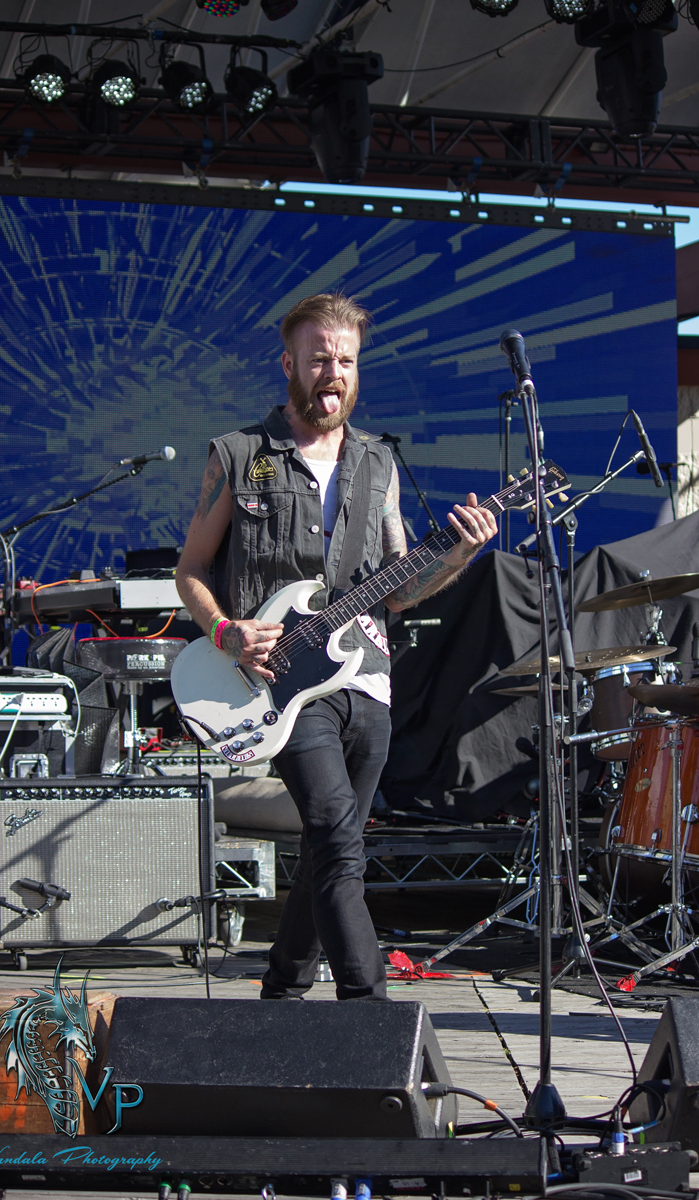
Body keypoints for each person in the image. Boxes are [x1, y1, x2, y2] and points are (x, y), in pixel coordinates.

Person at [175, 292, 497, 1000]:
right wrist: (227, 632)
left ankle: (282, 990)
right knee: (336, 835)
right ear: (288, 364)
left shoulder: (378, 463)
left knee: (331, 846)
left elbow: (400, 587)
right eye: (320, 358)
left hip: (367, 677)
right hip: (281, 682)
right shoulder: (238, 455)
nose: (334, 372)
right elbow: (190, 569)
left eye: (346, 360)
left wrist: (461, 554)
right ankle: (369, 1011)